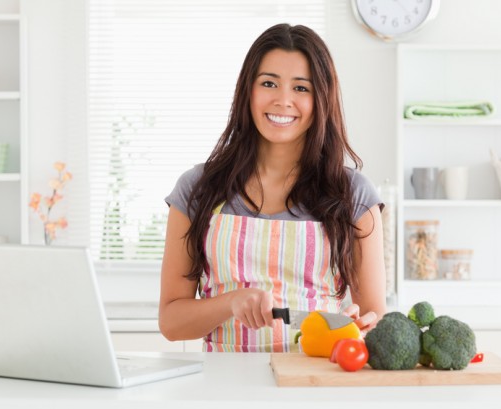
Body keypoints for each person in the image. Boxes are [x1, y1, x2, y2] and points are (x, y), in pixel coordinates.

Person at [159, 23, 386, 352]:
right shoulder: (197, 189)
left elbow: (374, 320)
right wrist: (230, 302)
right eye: (269, 83)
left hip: (316, 388)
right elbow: (171, 323)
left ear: (322, 98)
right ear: (247, 91)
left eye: (301, 88)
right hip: (224, 392)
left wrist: (363, 325)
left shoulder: (353, 195)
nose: (283, 100)